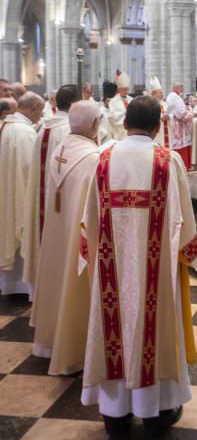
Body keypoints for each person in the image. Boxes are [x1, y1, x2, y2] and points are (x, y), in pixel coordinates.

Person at [79, 96, 197, 438]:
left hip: (110, 273)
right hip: (156, 275)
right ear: (159, 125)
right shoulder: (168, 161)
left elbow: (88, 221)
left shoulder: (103, 161)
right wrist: (188, 253)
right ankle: (155, 413)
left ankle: (115, 414)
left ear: (124, 122)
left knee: (113, 329)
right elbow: (185, 225)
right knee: (155, 329)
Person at [30, 101, 101, 375]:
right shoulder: (93, 159)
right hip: (79, 241)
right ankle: (75, 350)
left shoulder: (60, 149)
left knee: (56, 276)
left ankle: (49, 340)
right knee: (74, 283)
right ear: (95, 125)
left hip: (58, 233)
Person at [21, 84, 80, 292]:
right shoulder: (69, 131)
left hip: (43, 201)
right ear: (75, 104)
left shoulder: (43, 128)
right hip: (60, 204)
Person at [0, 92, 44, 295]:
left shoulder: (6, 127)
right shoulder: (24, 133)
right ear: (33, 107)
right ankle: (21, 286)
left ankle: (8, 285)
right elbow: (30, 170)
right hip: (20, 193)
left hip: (6, 192)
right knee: (21, 229)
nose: (41, 115)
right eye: (40, 110)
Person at [166, 82, 193, 169]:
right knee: (179, 146)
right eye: (181, 86)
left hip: (181, 126)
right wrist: (192, 114)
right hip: (178, 126)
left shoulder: (176, 96)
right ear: (176, 87)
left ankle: (185, 166)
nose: (183, 88)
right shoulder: (173, 97)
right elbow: (180, 114)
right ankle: (181, 167)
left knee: (183, 144)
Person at [148, 76, 171, 149]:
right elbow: (148, 117)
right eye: (160, 92)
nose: (162, 94)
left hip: (166, 128)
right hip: (157, 131)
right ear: (154, 93)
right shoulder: (149, 104)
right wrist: (160, 119)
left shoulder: (164, 103)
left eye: (162, 92)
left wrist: (169, 117)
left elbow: (170, 113)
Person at [108, 72, 132, 141]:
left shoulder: (131, 100)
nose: (126, 91)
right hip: (119, 131)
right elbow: (112, 117)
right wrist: (125, 114)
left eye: (127, 89)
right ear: (119, 89)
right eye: (124, 89)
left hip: (131, 130)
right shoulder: (113, 101)